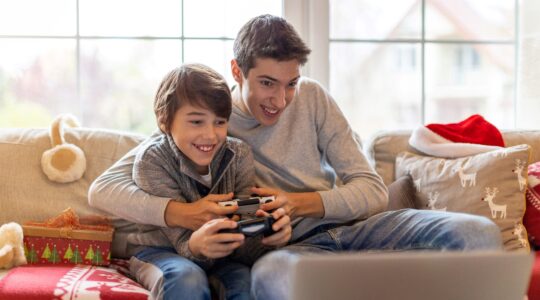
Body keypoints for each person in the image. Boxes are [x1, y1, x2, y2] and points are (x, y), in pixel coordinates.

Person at [89, 14, 502, 300]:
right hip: (292, 250)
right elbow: (106, 188)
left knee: (475, 233)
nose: (281, 100)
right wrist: (182, 212)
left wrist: (298, 203)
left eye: (290, 83)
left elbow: (371, 190)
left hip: (357, 230)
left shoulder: (312, 98)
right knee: (268, 280)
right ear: (237, 71)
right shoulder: (209, 123)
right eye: (267, 83)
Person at [115, 63, 291, 300]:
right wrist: (197, 247)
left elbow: (244, 229)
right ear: (165, 122)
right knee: (186, 279)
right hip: (160, 251)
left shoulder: (239, 155)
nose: (210, 135)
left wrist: (270, 235)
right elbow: (182, 242)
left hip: (223, 256)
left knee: (246, 283)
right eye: (197, 122)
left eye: (219, 122)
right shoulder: (152, 161)